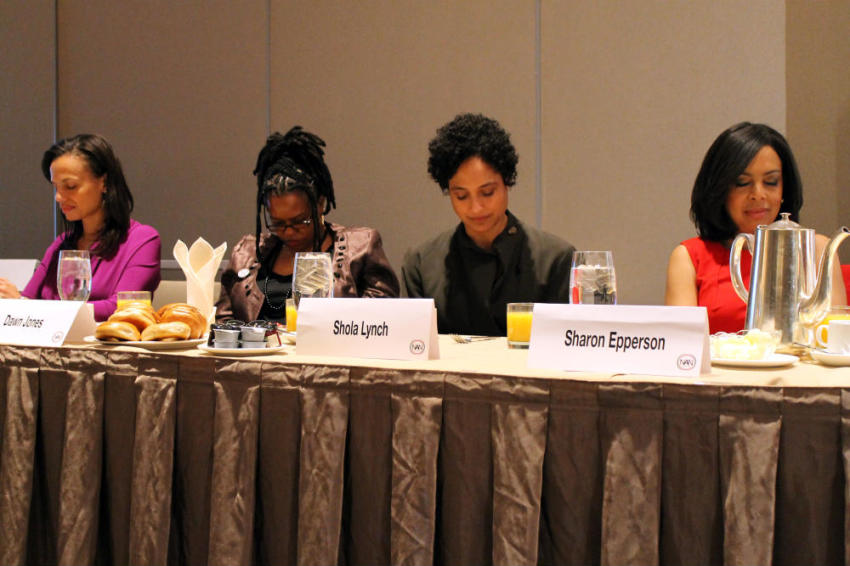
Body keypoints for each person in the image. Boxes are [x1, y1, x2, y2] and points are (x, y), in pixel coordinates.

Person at [402, 113, 575, 335]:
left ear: (507, 183)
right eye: (462, 196)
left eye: (487, 192)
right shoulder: (421, 264)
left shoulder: (555, 259)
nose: (476, 208)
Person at [665, 121, 845, 333]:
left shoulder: (817, 249)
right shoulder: (689, 257)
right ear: (720, 190)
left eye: (771, 182)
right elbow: (681, 349)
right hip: (721, 366)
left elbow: (836, 340)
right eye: (742, 183)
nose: (758, 194)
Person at [215, 126, 400, 323]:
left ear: (320, 204)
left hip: (330, 352)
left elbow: (382, 320)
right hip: (258, 352)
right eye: (278, 223)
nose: (288, 232)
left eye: (299, 221)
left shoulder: (361, 248)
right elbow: (224, 322)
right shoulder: (246, 253)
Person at [0, 134, 161, 321]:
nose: (58, 197)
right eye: (56, 187)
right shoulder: (62, 243)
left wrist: (27, 306)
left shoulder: (142, 240)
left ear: (105, 183)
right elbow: (28, 299)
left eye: (70, 186)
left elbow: (121, 307)